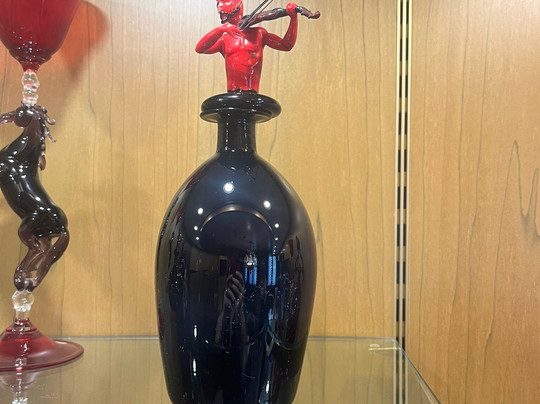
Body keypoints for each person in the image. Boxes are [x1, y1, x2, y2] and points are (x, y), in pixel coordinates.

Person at [196, 0, 299, 93]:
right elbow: (199, 49)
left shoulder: (259, 34)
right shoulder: (224, 39)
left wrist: (293, 19)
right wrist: (220, 30)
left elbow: (286, 45)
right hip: (232, 93)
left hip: (253, 94)